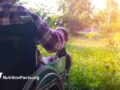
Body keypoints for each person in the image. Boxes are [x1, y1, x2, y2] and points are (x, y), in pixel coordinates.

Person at [0, 0, 68, 67]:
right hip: (29, 73)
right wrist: (62, 32)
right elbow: (55, 45)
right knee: (62, 58)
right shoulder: (19, 12)